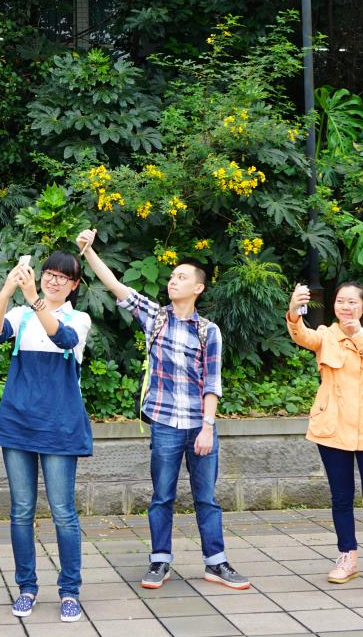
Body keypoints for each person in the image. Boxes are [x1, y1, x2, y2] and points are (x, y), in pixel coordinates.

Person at [77, 229, 249, 590]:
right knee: (162, 497)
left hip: (199, 425)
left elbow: (212, 382)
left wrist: (208, 426)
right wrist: (89, 251)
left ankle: (216, 562)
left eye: (181, 277)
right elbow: (116, 287)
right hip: (165, 423)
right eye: (172, 276)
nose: (173, 280)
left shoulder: (209, 331)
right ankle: (159, 560)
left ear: (198, 287)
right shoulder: (155, 317)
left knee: (207, 498)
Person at [0, 251, 93, 622]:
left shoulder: (78, 319)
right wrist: (7, 290)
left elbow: (63, 339)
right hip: (18, 423)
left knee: (63, 512)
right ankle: (26, 588)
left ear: (74, 285)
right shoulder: (22, 314)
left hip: (60, 425)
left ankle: (70, 590)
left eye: (63, 277)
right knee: (21, 511)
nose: (54, 280)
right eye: (49, 274)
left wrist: (33, 297)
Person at [287, 282, 363, 601]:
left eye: (352, 302)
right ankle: (347, 557)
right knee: (341, 497)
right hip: (332, 427)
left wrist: (358, 334)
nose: (345, 307)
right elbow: (301, 335)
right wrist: (294, 309)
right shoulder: (326, 335)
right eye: (340, 301)